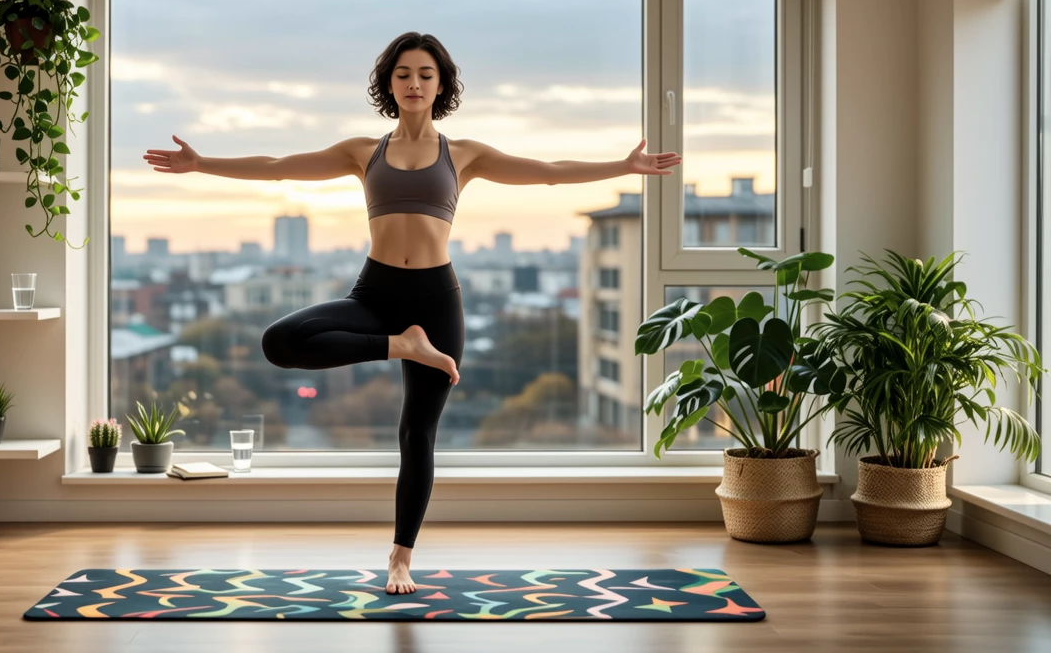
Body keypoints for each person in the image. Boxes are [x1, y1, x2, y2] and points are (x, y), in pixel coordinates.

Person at [142, 32, 680, 596]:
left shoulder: (464, 154)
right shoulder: (362, 151)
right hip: (375, 294)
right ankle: (402, 344)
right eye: (403, 74)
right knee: (280, 340)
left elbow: (547, 170)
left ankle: (400, 558)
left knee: (416, 432)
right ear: (388, 83)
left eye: (425, 73)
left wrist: (623, 166)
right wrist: (201, 164)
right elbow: (279, 167)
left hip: (435, 300)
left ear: (441, 83)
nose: (414, 83)